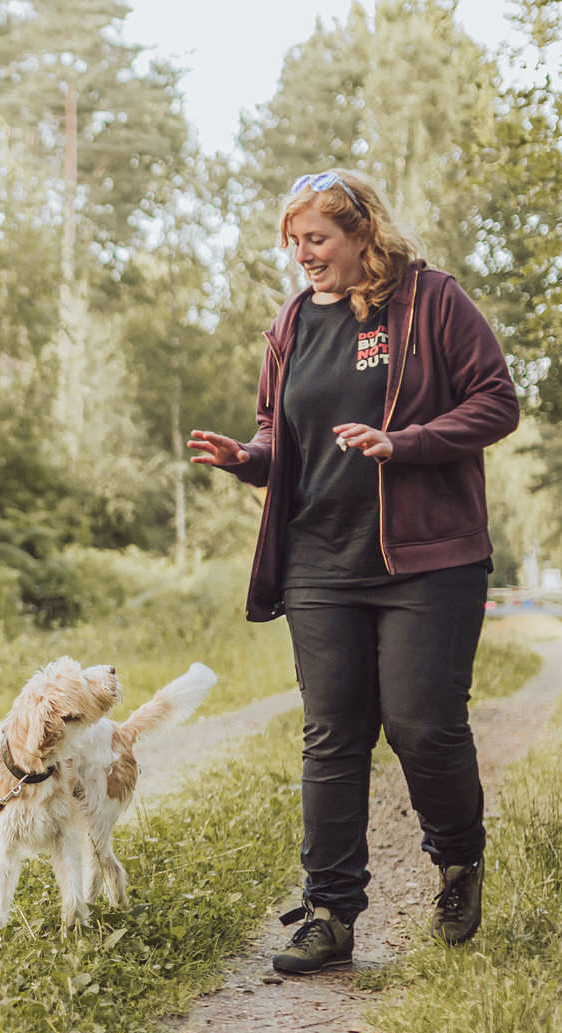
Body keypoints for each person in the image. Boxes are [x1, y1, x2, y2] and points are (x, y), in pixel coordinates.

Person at [189, 169, 518, 974]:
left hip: (427, 557)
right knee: (332, 736)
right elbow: (278, 430)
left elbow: (496, 401)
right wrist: (249, 458)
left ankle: (458, 859)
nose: (303, 256)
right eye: (294, 242)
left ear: (362, 232)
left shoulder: (433, 301)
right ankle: (332, 912)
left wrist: (402, 441)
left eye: (317, 239)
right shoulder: (292, 323)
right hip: (318, 557)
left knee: (420, 722)